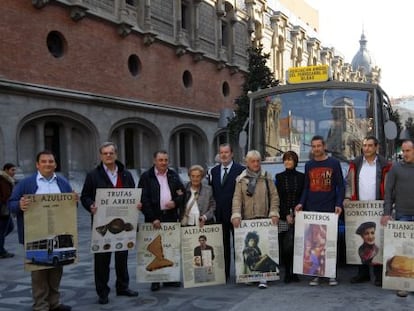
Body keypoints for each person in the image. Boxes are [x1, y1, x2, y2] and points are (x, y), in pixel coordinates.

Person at [8, 151, 72, 311]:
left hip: (59, 233)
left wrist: (74, 201)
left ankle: (54, 302)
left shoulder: (63, 183)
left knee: (57, 269)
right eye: (44, 161)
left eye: (51, 161)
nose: (48, 164)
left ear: (55, 164)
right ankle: (41, 305)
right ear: (37, 165)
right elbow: (11, 203)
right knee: (39, 271)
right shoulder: (26, 183)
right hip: (36, 235)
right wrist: (19, 206)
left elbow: (70, 207)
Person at [81, 142, 138, 305]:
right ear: (101, 156)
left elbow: (133, 194)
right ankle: (102, 292)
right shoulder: (93, 175)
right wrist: (90, 205)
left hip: (124, 223)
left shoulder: (126, 174)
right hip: (102, 224)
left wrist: (137, 204)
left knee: (122, 257)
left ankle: (122, 286)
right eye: (105, 153)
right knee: (102, 260)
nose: (108, 155)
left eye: (111, 153)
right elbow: (85, 196)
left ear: (116, 155)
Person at [295, 135, 345, 286]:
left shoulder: (334, 163)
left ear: (324, 147)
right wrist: (301, 204)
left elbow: (341, 186)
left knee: (330, 242)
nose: (316, 149)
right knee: (314, 242)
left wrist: (338, 204)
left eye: (318, 146)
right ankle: (315, 274)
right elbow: (306, 187)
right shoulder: (309, 165)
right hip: (312, 208)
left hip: (329, 208)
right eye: (314, 146)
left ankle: (331, 274)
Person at [345, 136, 390, 287]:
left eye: (370, 146)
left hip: (377, 208)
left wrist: (388, 207)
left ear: (376, 147)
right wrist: (347, 198)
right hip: (359, 207)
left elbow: (388, 187)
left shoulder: (384, 164)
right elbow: (349, 184)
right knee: (362, 242)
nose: (366, 148)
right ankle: (362, 274)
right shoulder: (356, 163)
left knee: (377, 239)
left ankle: (378, 275)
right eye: (364, 146)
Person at [231, 150, 280, 289]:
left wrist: (274, 212)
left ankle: (263, 278)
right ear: (247, 162)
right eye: (252, 161)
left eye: (258, 161)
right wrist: (236, 214)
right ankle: (250, 276)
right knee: (249, 250)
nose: (256, 163)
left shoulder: (266, 177)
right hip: (247, 220)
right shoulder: (241, 179)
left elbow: (274, 196)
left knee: (263, 248)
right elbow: (237, 199)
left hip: (264, 219)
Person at [138, 150, 185, 291]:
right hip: (154, 217)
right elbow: (143, 199)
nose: (164, 163)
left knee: (170, 247)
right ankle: (155, 279)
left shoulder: (173, 175)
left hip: (170, 216)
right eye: (161, 160)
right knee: (155, 248)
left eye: (166, 160)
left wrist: (175, 202)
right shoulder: (146, 176)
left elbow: (182, 192)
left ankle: (170, 278)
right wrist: (153, 218)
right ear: (154, 161)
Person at [381, 139, 414, 298]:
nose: (404, 154)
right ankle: (403, 285)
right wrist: (387, 213)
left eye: (408, 151)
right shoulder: (396, 168)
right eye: (403, 151)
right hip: (403, 214)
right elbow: (388, 192)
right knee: (404, 251)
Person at [210, 143, 244, 282]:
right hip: (220, 214)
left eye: (226, 152)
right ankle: (224, 273)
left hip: (236, 214)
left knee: (239, 244)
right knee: (223, 245)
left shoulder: (241, 170)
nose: (223, 155)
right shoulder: (213, 171)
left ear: (232, 154)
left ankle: (241, 272)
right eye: (221, 152)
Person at [275, 151, 304, 283]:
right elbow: (279, 198)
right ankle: (287, 272)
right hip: (283, 216)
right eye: (285, 159)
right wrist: (286, 214)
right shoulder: (279, 177)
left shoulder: (302, 177)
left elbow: (303, 195)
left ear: (295, 162)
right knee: (285, 245)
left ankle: (295, 272)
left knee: (297, 245)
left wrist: (298, 211)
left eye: (290, 159)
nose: (287, 162)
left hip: (299, 215)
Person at [0, 163, 16, 258]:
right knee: (2, 230)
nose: (14, 172)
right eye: (12, 170)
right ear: (6, 170)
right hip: (3, 210)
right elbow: (6, 196)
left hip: (5, 209)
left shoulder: (7, 180)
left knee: (9, 227)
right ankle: (1, 251)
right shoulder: (4, 180)